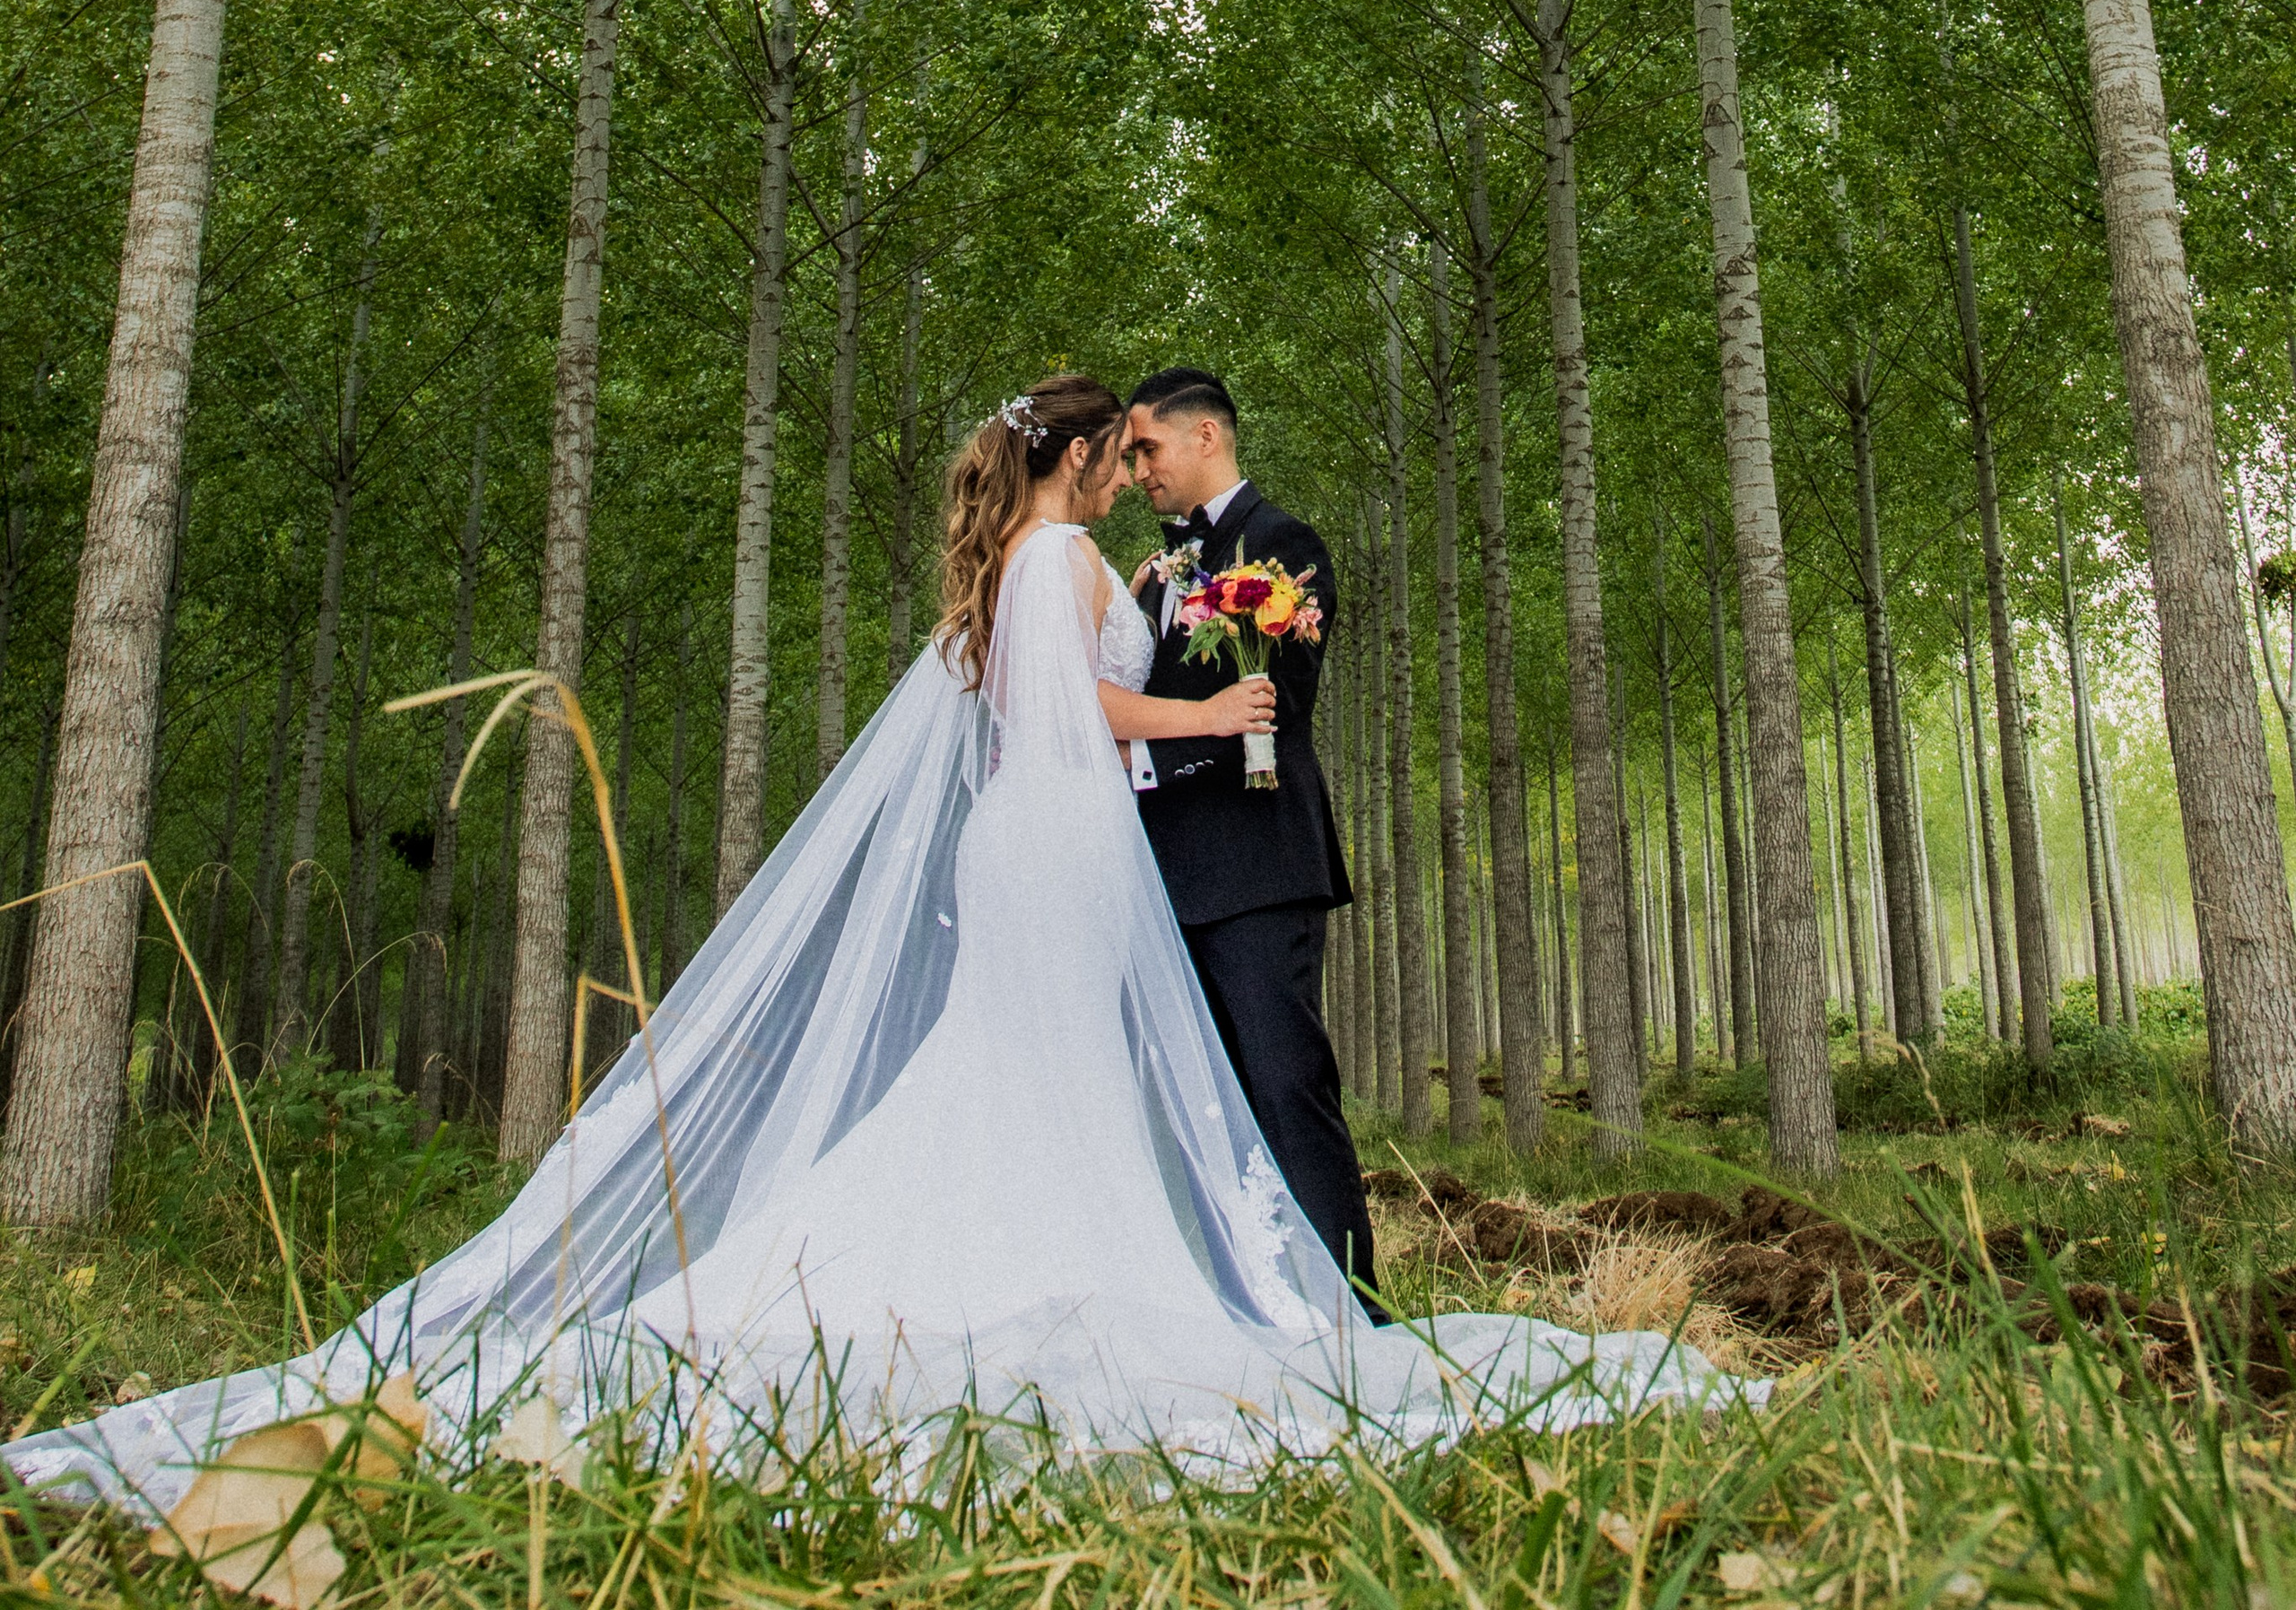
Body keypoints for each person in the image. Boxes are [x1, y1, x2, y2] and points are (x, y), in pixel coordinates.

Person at [3, 375, 1750, 1519]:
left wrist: (1196, 694)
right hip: (1070, 844)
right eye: (1111, 443)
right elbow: (1110, 709)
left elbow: (1051, 715)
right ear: (1082, 456)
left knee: (1005, 1065)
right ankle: (1115, 1269)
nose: (1128, 464)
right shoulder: (1071, 559)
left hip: (1024, 847)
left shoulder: (1003, 560)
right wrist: (1215, 706)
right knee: (1064, 1070)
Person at [1121, 367, 1380, 1311]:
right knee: (1199, 1108)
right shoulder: (1151, 569)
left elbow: (1285, 698)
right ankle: (1245, 1307)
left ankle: (1349, 1312)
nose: (1135, 469)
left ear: (1206, 437)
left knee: (1282, 1087)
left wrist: (1188, 727)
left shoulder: (1281, 543)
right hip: (1160, 872)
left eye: (1146, 447)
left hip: (1256, 861)